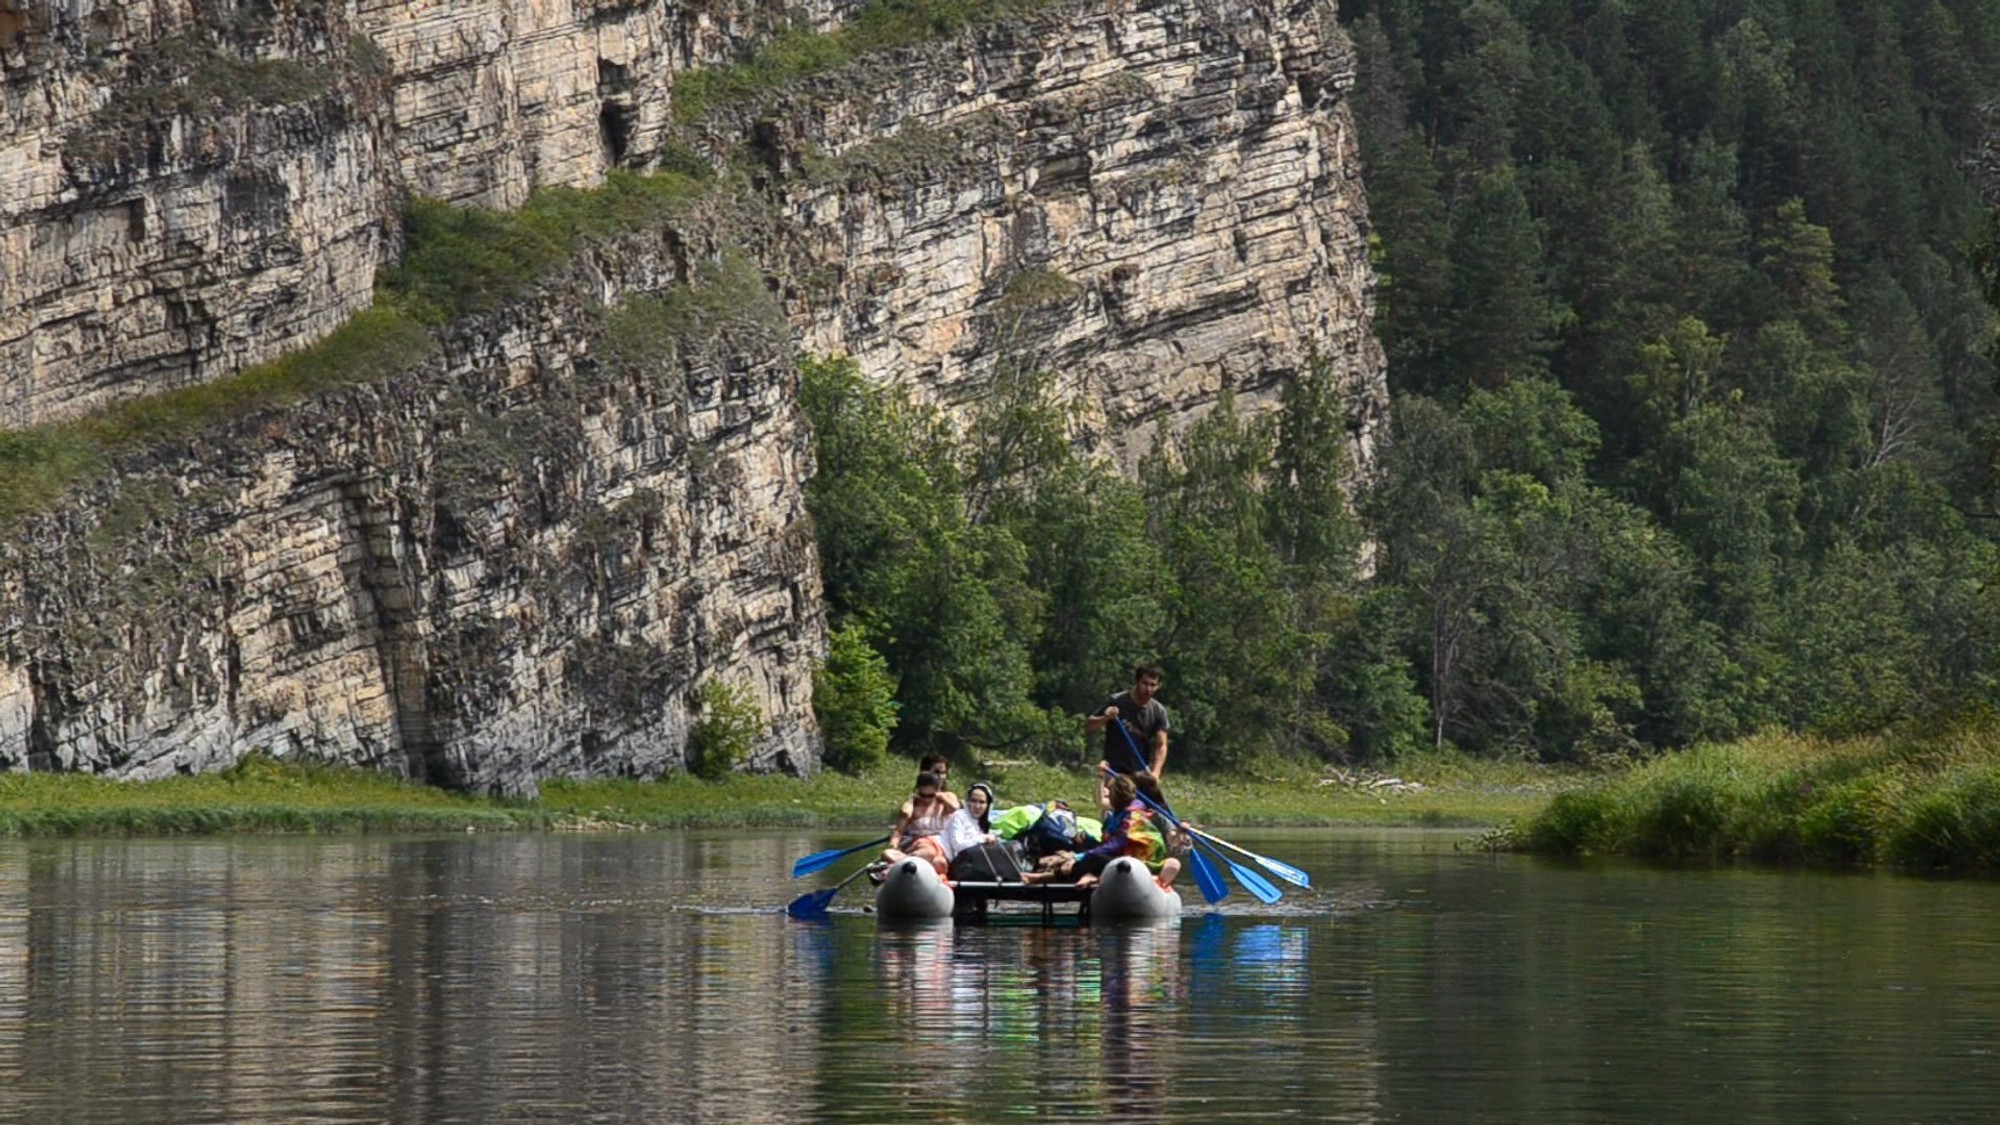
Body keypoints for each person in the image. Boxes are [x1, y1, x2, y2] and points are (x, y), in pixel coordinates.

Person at [1084, 664, 1170, 777]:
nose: (1148, 689)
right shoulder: (1117, 701)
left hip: (1139, 772)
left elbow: (1161, 745)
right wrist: (1106, 717)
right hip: (1113, 770)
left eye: (1153, 685)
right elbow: (1089, 726)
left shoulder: (1158, 711)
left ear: (1158, 686)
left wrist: (1156, 772)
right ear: (1137, 681)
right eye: (1145, 683)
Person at [944, 783, 1023, 882]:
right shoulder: (959, 816)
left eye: (982, 802)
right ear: (967, 802)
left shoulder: (981, 823)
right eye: (973, 801)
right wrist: (983, 839)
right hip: (961, 864)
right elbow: (958, 845)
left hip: (976, 864)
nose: (977, 806)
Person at [882, 770, 954, 874]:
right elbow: (898, 832)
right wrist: (894, 843)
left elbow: (955, 807)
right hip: (918, 845)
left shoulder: (946, 801)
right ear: (917, 791)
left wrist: (941, 797)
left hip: (942, 847)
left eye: (930, 795)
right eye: (922, 795)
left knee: (939, 861)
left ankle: (897, 865)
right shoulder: (911, 807)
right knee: (933, 857)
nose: (926, 799)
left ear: (938, 790)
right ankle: (904, 865)